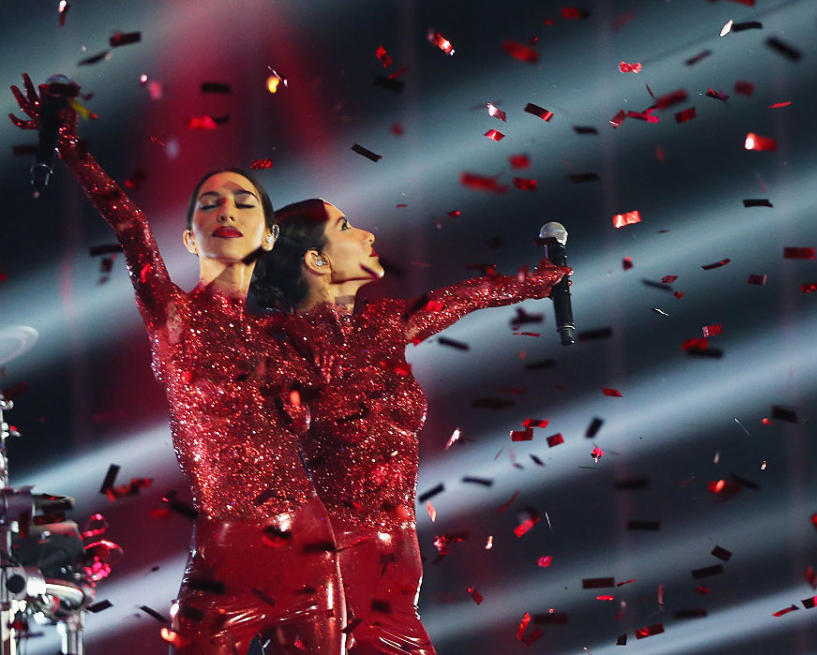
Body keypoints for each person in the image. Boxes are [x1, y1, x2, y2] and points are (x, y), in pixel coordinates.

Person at [9, 75, 346, 655]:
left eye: (243, 202)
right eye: (209, 203)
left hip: (309, 546)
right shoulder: (174, 314)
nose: (226, 210)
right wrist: (67, 145)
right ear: (190, 238)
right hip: (223, 555)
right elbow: (130, 226)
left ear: (267, 235)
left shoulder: (285, 335)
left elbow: (331, 404)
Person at [251, 199, 571, 655]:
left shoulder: (379, 327)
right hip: (325, 571)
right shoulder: (279, 345)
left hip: (395, 573)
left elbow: (461, 298)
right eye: (346, 227)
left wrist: (531, 284)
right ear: (316, 260)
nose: (368, 235)